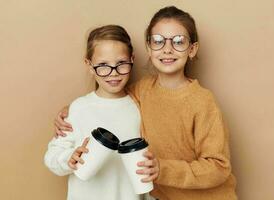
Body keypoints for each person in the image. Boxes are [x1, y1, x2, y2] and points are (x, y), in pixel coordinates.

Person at [55, 6, 237, 200]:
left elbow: (219, 167)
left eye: (178, 41)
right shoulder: (142, 90)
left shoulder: (203, 102)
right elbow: (111, 101)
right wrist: (70, 112)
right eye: (159, 41)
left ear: (192, 49)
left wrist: (162, 169)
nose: (167, 49)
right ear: (149, 48)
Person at [44, 25, 159, 200]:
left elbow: (148, 163)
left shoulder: (140, 106)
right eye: (103, 65)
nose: (113, 73)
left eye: (121, 64)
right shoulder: (79, 108)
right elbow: (51, 157)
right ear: (89, 65)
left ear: (132, 59)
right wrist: (70, 158)